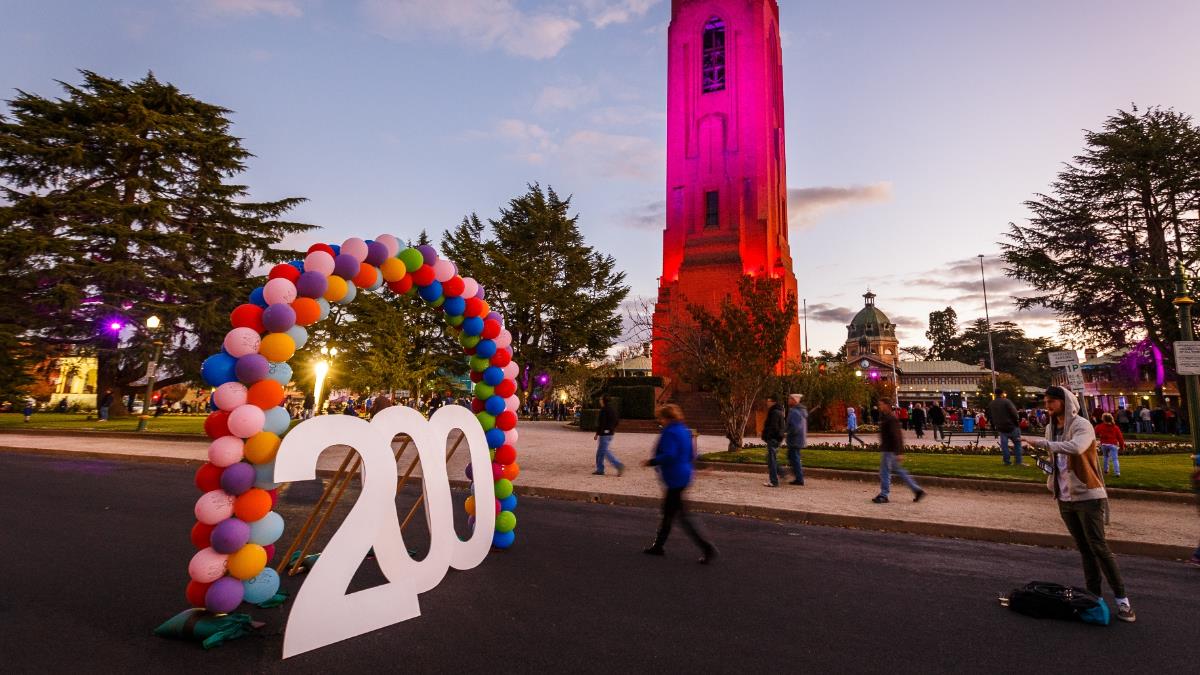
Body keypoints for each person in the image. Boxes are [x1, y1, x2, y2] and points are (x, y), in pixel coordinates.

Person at [1026, 386, 1135, 622]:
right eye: (1045, 401)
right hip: (1064, 496)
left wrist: (1041, 444)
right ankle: (1093, 597)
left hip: (1087, 494)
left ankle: (1122, 600)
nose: (1047, 405)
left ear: (1065, 401)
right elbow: (1056, 459)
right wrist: (1042, 461)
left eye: (1052, 401)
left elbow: (1076, 447)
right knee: (1084, 549)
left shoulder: (1082, 425)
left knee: (1099, 547)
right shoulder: (1050, 428)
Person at [642, 404, 717, 563]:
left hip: (675, 476)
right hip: (683, 475)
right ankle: (658, 546)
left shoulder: (670, 432)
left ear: (667, 418)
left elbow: (669, 454)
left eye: (661, 418)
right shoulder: (683, 430)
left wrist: (652, 461)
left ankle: (707, 548)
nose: (660, 421)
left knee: (681, 516)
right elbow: (692, 453)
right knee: (669, 512)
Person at [872, 400, 925, 503]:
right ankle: (916, 490)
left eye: (881, 404)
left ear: (887, 405)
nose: (880, 406)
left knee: (885, 472)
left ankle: (884, 494)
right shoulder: (888, 417)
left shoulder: (891, 418)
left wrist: (899, 452)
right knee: (898, 471)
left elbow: (897, 436)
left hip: (889, 449)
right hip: (889, 448)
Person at [988, 392, 1023, 466]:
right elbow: (1014, 412)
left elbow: (990, 416)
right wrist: (1016, 420)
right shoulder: (1006, 401)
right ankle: (1018, 462)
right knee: (1017, 444)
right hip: (1012, 426)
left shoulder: (991, 404)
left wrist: (994, 425)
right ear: (1001, 394)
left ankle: (1007, 461)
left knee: (1004, 446)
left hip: (1001, 428)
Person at [593, 395, 624, 476]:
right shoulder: (612, 409)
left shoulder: (603, 410)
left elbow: (601, 423)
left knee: (604, 451)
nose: (599, 400)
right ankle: (600, 469)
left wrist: (597, 433)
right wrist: (612, 429)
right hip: (610, 433)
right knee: (600, 452)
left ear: (603, 401)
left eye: (600, 399)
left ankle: (618, 465)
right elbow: (617, 421)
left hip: (604, 434)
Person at [761, 395, 787, 487]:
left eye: (768, 401)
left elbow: (774, 427)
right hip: (776, 438)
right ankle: (782, 473)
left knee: (771, 460)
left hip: (773, 439)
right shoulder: (779, 411)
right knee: (771, 459)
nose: (767, 403)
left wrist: (768, 436)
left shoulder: (775, 412)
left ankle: (774, 481)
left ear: (773, 402)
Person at [785, 394, 808, 486]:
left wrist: (788, 433)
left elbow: (795, 427)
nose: (788, 400)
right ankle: (798, 477)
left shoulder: (795, 412)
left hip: (795, 439)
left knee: (794, 458)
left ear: (794, 400)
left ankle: (799, 478)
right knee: (793, 458)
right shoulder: (800, 411)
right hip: (798, 439)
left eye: (790, 399)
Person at [1095, 412, 1125, 477]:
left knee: (1105, 457)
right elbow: (1120, 437)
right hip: (1113, 444)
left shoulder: (1100, 426)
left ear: (1103, 419)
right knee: (1115, 459)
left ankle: (1106, 470)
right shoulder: (1115, 427)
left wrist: (1100, 435)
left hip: (1104, 444)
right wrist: (1122, 446)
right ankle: (1117, 472)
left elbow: (1095, 432)